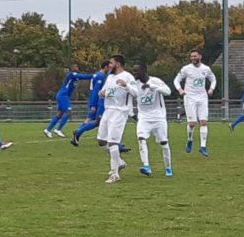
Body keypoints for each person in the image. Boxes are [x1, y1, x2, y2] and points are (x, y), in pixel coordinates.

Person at [97, 55, 138, 183]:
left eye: (111, 63)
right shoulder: (109, 77)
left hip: (120, 112)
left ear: (118, 64)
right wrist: (102, 93)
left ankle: (115, 174)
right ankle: (119, 162)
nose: (109, 65)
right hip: (108, 110)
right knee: (101, 141)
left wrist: (126, 86)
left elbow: (136, 93)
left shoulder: (128, 76)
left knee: (113, 142)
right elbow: (104, 91)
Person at [173, 49, 216, 157]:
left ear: (200, 57)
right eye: (191, 56)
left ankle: (203, 147)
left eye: (195, 56)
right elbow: (176, 80)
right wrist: (180, 90)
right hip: (189, 97)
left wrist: (211, 89)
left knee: (204, 122)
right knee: (192, 124)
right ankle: (190, 139)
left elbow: (213, 79)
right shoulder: (186, 69)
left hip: (202, 97)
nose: (193, 58)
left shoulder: (206, 69)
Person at [133, 64, 173, 177]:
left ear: (144, 70)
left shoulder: (155, 81)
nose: (134, 74)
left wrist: (152, 87)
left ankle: (168, 168)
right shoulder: (135, 84)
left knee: (164, 143)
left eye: (136, 71)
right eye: (133, 72)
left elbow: (168, 91)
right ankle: (146, 166)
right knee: (141, 139)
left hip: (158, 117)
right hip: (144, 118)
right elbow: (129, 92)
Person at [44, 63, 93, 138]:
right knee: (68, 112)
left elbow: (81, 77)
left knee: (60, 114)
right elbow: (83, 76)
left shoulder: (75, 76)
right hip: (63, 95)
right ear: (71, 68)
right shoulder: (71, 74)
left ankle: (48, 130)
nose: (77, 67)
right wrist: (94, 75)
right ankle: (58, 129)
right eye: (75, 66)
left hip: (62, 95)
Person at [71, 60, 110, 146]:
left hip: (93, 99)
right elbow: (96, 90)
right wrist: (93, 105)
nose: (110, 68)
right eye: (109, 66)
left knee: (89, 120)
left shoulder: (97, 74)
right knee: (97, 122)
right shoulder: (100, 76)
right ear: (106, 67)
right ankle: (77, 132)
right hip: (96, 101)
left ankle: (76, 137)